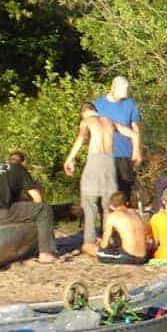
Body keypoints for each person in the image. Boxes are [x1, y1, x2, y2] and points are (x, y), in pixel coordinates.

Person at [64, 104, 139, 250]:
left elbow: (82, 137)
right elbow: (134, 134)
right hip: (110, 162)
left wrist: (69, 159)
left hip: (95, 160)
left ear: (84, 112)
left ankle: (90, 241)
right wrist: (135, 151)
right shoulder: (110, 121)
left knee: (89, 202)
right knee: (109, 203)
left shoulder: (87, 121)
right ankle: (108, 239)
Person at [0, 151, 60, 263]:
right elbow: (37, 198)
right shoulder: (20, 169)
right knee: (43, 209)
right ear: (23, 162)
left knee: (23, 209)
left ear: (8, 160)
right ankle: (46, 253)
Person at [93, 76, 143, 202]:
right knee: (106, 192)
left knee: (124, 191)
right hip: (104, 154)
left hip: (125, 153)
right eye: (122, 92)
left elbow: (135, 128)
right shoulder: (98, 105)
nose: (124, 96)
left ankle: (123, 212)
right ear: (113, 88)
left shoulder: (130, 103)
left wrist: (136, 150)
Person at [96, 193, 153, 265]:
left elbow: (104, 245)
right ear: (127, 203)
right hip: (144, 257)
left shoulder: (113, 216)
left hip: (128, 258)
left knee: (89, 248)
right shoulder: (135, 213)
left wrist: (101, 242)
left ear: (111, 206)